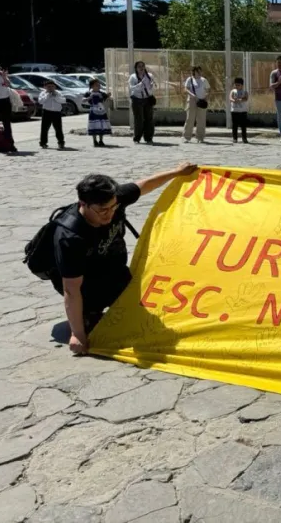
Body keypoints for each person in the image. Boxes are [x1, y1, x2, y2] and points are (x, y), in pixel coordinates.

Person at [50, 163, 198, 355]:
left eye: (113, 207)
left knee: (137, 312)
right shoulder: (70, 237)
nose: (110, 214)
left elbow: (144, 185)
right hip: (86, 281)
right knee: (95, 322)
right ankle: (87, 313)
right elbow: (71, 289)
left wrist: (177, 172)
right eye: (103, 210)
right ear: (83, 204)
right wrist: (77, 334)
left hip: (114, 270)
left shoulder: (113, 198)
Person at [128, 61, 156, 145]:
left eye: (142, 66)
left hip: (147, 99)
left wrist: (152, 85)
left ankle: (148, 137)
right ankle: (137, 138)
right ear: (136, 68)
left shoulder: (149, 76)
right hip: (137, 99)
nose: (141, 68)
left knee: (149, 119)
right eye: (139, 66)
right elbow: (131, 88)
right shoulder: (133, 77)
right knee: (139, 120)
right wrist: (139, 85)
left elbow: (153, 86)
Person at [38, 79, 66, 150]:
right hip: (47, 112)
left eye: (52, 86)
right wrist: (47, 95)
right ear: (45, 87)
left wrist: (55, 96)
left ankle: (61, 142)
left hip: (56, 113)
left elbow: (63, 100)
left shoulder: (58, 93)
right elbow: (41, 101)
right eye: (48, 86)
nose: (50, 88)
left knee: (58, 128)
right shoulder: (43, 93)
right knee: (44, 128)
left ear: (55, 87)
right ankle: (43, 143)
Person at [183, 66, 209, 143]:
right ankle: (186, 137)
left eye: (201, 71)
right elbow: (186, 89)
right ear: (194, 72)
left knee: (201, 119)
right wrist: (191, 94)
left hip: (201, 100)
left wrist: (206, 98)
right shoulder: (190, 79)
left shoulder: (204, 80)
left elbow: (208, 90)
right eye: (198, 72)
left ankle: (200, 137)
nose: (200, 73)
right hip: (192, 100)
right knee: (189, 119)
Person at [86, 79, 112, 147]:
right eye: (96, 85)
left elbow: (105, 98)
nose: (98, 86)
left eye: (99, 85)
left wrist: (108, 95)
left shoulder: (101, 93)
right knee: (94, 125)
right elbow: (83, 100)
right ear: (92, 86)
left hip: (101, 110)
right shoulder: (88, 93)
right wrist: (89, 98)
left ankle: (101, 140)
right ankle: (95, 140)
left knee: (101, 124)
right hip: (93, 110)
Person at [229, 78, 249, 144]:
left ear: (242, 85)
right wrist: (234, 100)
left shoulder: (245, 91)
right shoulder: (233, 91)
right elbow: (230, 98)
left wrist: (240, 100)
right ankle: (235, 138)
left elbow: (246, 98)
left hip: (243, 111)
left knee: (243, 126)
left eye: (238, 85)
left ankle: (244, 138)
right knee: (235, 125)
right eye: (236, 85)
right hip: (234, 111)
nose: (237, 86)